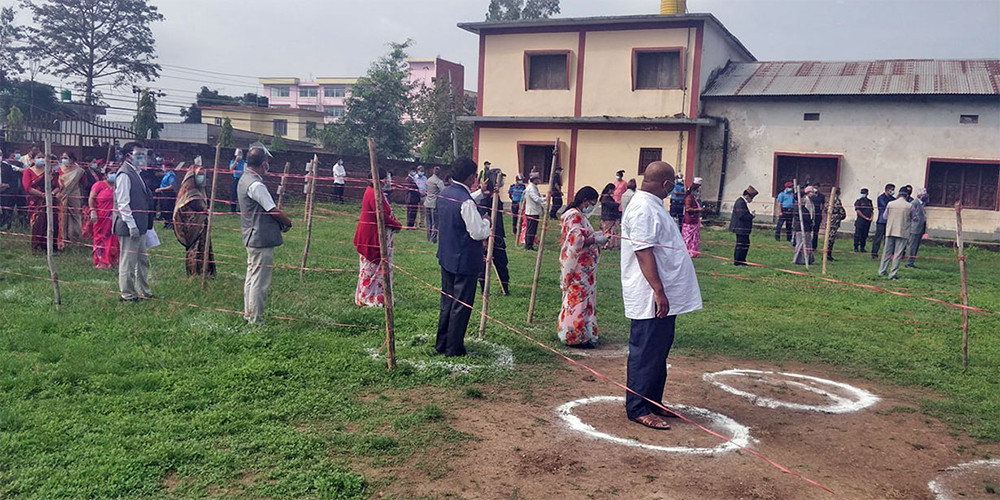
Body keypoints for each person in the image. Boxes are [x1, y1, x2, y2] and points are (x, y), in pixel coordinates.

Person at [620, 161, 702, 430]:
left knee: (658, 352)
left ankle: (653, 401)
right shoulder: (643, 208)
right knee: (645, 352)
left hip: (663, 296)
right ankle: (638, 408)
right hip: (650, 296)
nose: (674, 189)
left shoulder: (653, 205)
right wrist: (658, 290)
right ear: (666, 184)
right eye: (673, 185)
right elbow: (643, 252)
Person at [435, 157, 492, 357]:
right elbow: (477, 232)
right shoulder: (466, 201)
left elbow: (463, 203)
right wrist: (487, 222)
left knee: (447, 303)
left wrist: (480, 193)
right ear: (470, 177)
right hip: (464, 261)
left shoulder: (446, 193)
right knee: (461, 305)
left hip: (447, 257)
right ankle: (454, 348)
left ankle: (442, 343)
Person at [238, 143, 293, 324]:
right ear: (263, 164)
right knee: (260, 282)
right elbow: (272, 210)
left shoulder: (244, 179)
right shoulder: (256, 185)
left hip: (251, 235)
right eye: (267, 162)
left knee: (251, 278)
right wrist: (288, 222)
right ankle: (256, 320)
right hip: (260, 238)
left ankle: (249, 315)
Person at [558, 186, 608, 347]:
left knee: (585, 300)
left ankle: (584, 332)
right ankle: (573, 335)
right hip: (579, 267)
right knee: (577, 300)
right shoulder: (574, 216)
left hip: (585, 268)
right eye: (592, 203)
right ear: (585, 201)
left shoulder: (577, 215)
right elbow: (576, 240)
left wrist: (596, 235)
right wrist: (595, 240)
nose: (592, 207)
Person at [354, 168, 403, 307]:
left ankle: (378, 295)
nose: (388, 180)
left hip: (374, 234)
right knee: (371, 269)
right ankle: (368, 297)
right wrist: (397, 225)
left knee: (375, 269)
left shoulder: (376, 192)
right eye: (386, 178)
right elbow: (381, 215)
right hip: (372, 237)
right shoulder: (373, 193)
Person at [113, 143, 155, 302]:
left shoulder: (138, 173)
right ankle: (127, 294)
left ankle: (144, 291)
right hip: (129, 226)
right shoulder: (124, 174)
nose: (143, 157)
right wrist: (132, 225)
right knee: (128, 262)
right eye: (139, 154)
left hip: (141, 225)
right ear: (128, 156)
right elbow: (123, 203)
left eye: (144, 154)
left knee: (142, 260)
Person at [173, 165, 215, 276]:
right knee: (195, 248)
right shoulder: (189, 191)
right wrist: (203, 211)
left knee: (204, 246)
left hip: (201, 223)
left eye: (203, 175)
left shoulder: (200, 190)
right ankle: (195, 271)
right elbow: (193, 206)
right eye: (199, 175)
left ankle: (206, 270)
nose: (201, 177)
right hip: (192, 226)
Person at [22, 152, 59, 254]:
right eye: (39, 157)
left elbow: (58, 186)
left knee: (51, 222)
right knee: (38, 222)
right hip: (35, 200)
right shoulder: (28, 171)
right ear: (33, 160)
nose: (41, 159)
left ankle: (50, 246)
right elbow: (27, 187)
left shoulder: (50, 172)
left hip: (50, 200)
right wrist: (42, 194)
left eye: (43, 157)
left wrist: (51, 194)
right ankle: (36, 246)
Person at [477, 191, 510, 296]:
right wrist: (484, 240)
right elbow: (481, 221)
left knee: (502, 263)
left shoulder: (497, 199)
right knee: (483, 267)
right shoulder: (482, 200)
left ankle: (505, 288)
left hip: (498, 237)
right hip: (486, 238)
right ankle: (484, 290)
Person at [88, 166, 119, 269]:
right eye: (112, 173)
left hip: (114, 217)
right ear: (105, 175)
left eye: (115, 172)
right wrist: (92, 210)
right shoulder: (99, 185)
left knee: (114, 238)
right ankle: (101, 261)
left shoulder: (118, 186)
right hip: (101, 217)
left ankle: (112, 259)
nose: (114, 175)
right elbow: (91, 198)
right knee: (100, 238)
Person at [879, 186, 912, 279]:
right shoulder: (909, 206)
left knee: (887, 252)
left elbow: (885, 216)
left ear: (898, 194)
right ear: (907, 195)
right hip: (902, 231)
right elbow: (914, 217)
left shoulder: (890, 204)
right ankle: (893, 273)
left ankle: (882, 270)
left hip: (890, 230)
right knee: (898, 253)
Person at [56, 154, 85, 249]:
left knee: (75, 215)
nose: (63, 160)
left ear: (72, 159)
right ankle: (62, 236)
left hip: (74, 194)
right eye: (62, 158)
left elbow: (84, 183)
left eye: (66, 158)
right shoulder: (59, 169)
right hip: (61, 194)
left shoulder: (79, 171)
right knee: (62, 215)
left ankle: (74, 236)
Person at [729, 185, 758, 266]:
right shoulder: (740, 202)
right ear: (747, 196)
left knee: (745, 244)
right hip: (740, 228)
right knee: (741, 245)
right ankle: (738, 261)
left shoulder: (741, 202)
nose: (751, 200)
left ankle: (742, 260)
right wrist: (751, 216)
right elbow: (741, 216)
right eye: (751, 198)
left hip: (742, 228)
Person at [792, 186, 815, 266]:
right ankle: (797, 259)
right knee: (800, 244)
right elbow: (804, 217)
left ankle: (808, 259)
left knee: (807, 244)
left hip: (806, 227)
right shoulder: (798, 207)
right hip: (801, 227)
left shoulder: (802, 206)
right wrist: (809, 220)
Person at [871, 183, 895, 260]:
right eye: (892, 190)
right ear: (887, 190)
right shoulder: (881, 198)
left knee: (888, 239)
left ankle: (887, 253)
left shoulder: (892, 198)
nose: (893, 191)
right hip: (881, 221)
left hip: (890, 221)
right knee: (878, 238)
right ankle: (874, 253)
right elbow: (886, 206)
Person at [905, 188, 928, 268]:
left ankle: (912, 261)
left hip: (920, 227)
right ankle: (909, 262)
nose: (925, 196)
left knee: (916, 246)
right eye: (924, 195)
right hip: (914, 228)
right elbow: (910, 214)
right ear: (920, 195)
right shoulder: (914, 203)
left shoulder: (922, 204)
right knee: (912, 245)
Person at [522, 172, 545, 250]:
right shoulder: (531, 188)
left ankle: (530, 244)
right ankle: (528, 245)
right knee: (531, 229)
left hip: (534, 211)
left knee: (533, 229)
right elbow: (536, 199)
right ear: (534, 180)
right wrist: (545, 198)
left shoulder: (534, 187)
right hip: (532, 211)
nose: (538, 180)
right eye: (537, 179)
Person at [682, 177, 704, 257]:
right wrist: (698, 210)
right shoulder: (689, 197)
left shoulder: (693, 197)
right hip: (690, 221)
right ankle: (687, 251)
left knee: (694, 237)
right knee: (688, 237)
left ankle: (693, 251)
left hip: (694, 220)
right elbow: (688, 209)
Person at [824, 187, 847, 261]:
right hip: (834, 222)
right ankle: (828, 255)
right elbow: (841, 211)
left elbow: (825, 209)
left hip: (829, 221)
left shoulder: (829, 200)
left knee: (828, 238)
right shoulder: (837, 200)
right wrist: (840, 215)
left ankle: (827, 254)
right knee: (830, 239)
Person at [424, 166, 445, 243]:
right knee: (435, 223)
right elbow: (444, 191)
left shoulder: (428, 180)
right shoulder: (439, 181)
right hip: (434, 204)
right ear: (439, 173)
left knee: (428, 222)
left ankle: (428, 237)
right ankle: (433, 238)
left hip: (427, 203)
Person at [155, 161, 178, 229]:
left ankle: (170, 224)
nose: (163, 168)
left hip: (169, 194)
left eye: (164, 166)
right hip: (164, 194)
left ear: (168, 167)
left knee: (168, 209)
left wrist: (160, 189)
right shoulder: (166, 174)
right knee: (164, 208)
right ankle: (166, 223)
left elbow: (171, 186)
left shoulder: (171, 175)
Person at [599, 183, 621, 250]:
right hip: (608, 217)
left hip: (610, 216)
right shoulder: (605, 198)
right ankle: (606, 244)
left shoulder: (608, 197)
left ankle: (613, 244)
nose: (614, 192)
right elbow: (611, 205)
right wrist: (617, 204)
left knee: (613, 231)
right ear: (609, 190)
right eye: (613, 190)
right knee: (608, 231)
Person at [853, 188, 874, 252]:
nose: (863, 194)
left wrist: (871, 217)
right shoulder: (858, 201)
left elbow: (872, 210)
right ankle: (856, 247)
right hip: (860, 220)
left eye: (864, 193)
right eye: (862, 193)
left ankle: (862, 247)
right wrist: (865, 217)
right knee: (858, 234)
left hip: (867, 221)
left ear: (867, 193)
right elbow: (858, 211)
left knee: (865, 234)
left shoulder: (869, 201)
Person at [809, 182, 826, 253]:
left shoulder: (822, 196)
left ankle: (814, 246)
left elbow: (823, 204)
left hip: (818, 215)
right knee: (808, 230)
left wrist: (821, 211)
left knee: (816, 232)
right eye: (814, 187)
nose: (816, 189)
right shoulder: (810, 196)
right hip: (810, 214)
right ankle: (808, 245)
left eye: (817, 187)